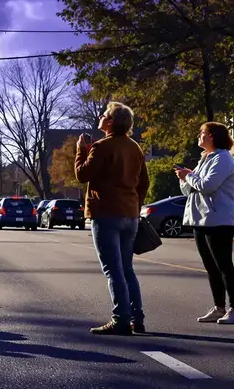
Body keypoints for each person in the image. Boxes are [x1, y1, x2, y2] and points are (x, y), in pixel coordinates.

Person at [74, 102, 149, 336]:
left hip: (106, 213)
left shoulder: (101, 146)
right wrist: (136, 204)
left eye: (104, 115)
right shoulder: (135, 147)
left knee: (113, 270)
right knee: (127, 268)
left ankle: (121, 319)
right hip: (130, 214)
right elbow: (144, 182)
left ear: (110, 122)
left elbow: (82, 175)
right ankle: (137, 318)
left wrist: (80, 151)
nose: (100, 116)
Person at [175, 122, 234, 325]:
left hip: (219, 221)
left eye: (202, 132)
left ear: (212, 136)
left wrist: (189, 176)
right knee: (211, 268)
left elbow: (207, 186)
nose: (199, 135)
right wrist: (185, 177)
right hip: (201, 220)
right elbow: (189, 191)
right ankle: (219, 307)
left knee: (224, 266)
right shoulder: (205, 159)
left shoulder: (223, 158)